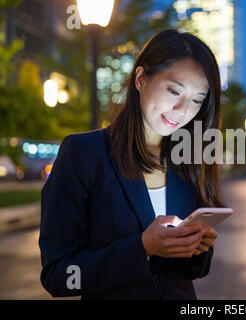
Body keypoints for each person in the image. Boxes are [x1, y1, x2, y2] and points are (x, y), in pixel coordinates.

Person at [39, 29, 226, 300]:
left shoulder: (186, 162)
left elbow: (191, 272)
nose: (182, 109)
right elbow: (59, 276)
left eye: (197, 100)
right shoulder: (84, 154)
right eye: (174, 90)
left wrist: (196, 248)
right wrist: (142, 248)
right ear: (141, 79)